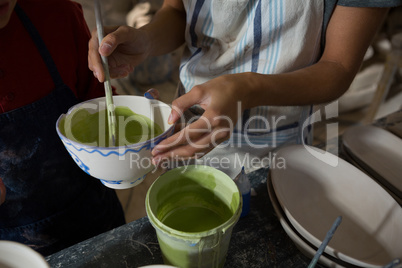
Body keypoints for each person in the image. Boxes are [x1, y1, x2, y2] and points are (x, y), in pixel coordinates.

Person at [88, 0, 402, 178]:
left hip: (278, 138)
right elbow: (179, 11)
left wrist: (248, 87)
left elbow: (338, 68)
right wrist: (145, 40)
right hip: (189, 122)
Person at [0, 0, 125, 256]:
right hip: (16, 250)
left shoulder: (57, 14)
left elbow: (100, 104)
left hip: (97, 215)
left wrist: (131, 123)